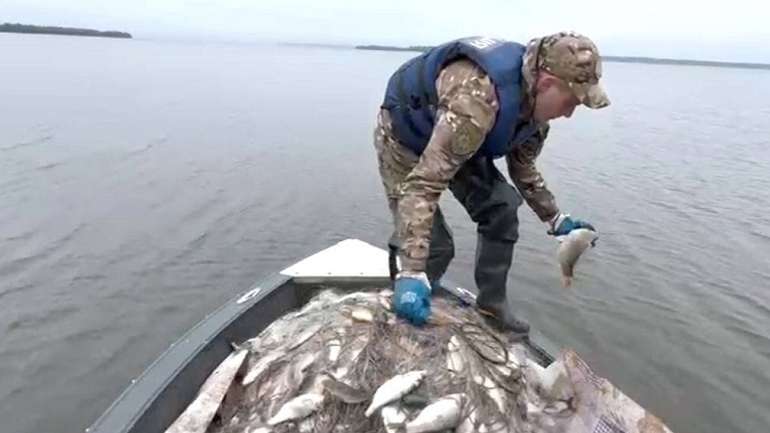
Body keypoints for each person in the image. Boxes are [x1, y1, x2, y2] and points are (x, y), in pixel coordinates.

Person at [374, 31, 609, 333]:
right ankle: (404, 316)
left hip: (458, 138)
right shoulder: (476, 98)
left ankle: (491, 306)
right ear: (547, 83)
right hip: (405, 140)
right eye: (571, 102)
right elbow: (424, 186)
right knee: (435, 246)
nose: (569, 113)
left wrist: (555, 218)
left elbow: (523, 169)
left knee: (501, 207)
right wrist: (412, 269)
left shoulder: (535, 114)